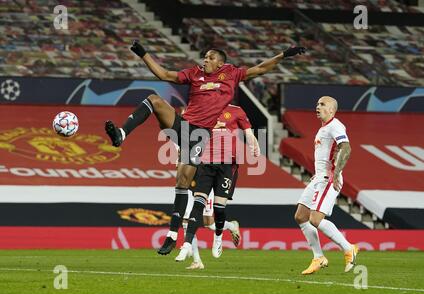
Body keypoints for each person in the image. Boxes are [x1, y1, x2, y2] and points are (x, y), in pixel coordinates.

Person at [105, 40, 305, 255]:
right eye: (205, 57)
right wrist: (143, 53)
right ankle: (121, 134)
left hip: (199, 135)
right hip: (184, 126)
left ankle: (172, 236)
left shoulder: (232, 74)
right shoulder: (194, 73)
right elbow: (164, 75)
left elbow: (262, 68)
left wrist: (283, 54)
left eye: (210, 58)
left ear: (220, 63)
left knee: (182, 181)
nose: (205, 60)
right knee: (154, 100)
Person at [174, 104, 260, 262]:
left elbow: (248, 132)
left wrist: (255, 144)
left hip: (223, 166)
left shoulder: (235, 110)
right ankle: (195, 259)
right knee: (193, 213)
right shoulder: (189, 125)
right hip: (201, 168)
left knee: (210, 219)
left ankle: (226, 229)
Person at [294, 96, 358, 275]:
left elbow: (346, 147)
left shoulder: (335, 125)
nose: (318, 106)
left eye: (322, 104)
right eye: (317, 104)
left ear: (332, 110)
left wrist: (336, 172)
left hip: (329, 178)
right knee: (300, 216)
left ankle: (348, 248)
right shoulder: (324, 128)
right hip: (318, 178)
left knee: (315, 219)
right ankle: (318, 257)